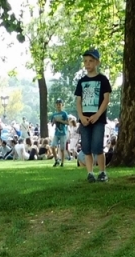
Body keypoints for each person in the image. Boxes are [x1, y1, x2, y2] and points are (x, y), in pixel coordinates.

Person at [75, 48, 112, 182]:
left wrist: (97, 115)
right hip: (85, 120)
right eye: (85, 61)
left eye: (91, 61)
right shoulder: (81, 81)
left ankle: (102, 172)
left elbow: (106, 99)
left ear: (97, 62)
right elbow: (78, 101)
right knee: (86, 148)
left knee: (97, 146)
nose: (88, 64)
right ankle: (90, 173)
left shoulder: (102, 79)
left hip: (98, 119)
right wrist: (81, 116)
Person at [49, 98, 71, 166]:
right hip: (56, 133)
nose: (58, 106)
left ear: (62, 105)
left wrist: (60, 121)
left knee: (62, 148)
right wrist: (54, 121)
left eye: (60, 104)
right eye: (57, 104)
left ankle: (62, 162)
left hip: (63, 133)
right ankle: (56, 160)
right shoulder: (54, 114)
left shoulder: (64, 113)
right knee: (52, 146)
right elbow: (52, 124)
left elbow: (67, 123)